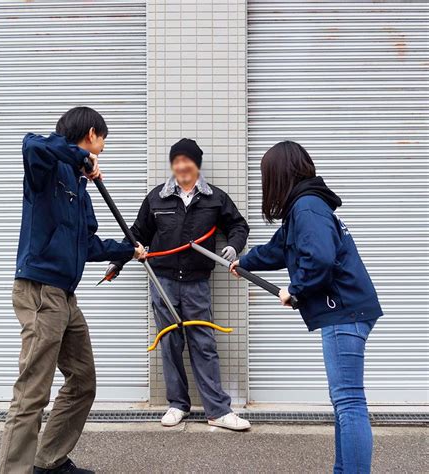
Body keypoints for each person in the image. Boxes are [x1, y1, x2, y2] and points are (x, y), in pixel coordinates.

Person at [0, 107, 146, 474]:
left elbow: (87, 244)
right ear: (92, 134)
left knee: (82, 380)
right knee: (33, 391)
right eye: (103, 140)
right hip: (40, 291)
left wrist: (128, 250)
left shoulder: (80, 188)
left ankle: (48, 461)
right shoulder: (49, 168)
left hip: (65, 295)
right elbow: (31, 145)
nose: (104, 147)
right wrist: (82, 158)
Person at [230, 141, 383, 473]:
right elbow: (279, 250)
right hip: (345, 311)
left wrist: (294, 289)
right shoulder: (304, 207)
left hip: (345, 311)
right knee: (345, 401)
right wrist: (243, 263)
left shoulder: (308, 207)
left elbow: (321, 258)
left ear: (280, 173)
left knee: (349, 402)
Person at [106, 138, 251, 430]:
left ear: (196, 164)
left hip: (197, 282)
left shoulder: (215, 198)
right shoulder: (157, 198)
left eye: (188, 160)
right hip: (163, 282)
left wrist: (234, 247)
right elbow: (137, 233)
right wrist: (117, 261)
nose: (182, 165)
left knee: (204, 343)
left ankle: (218, 411)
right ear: (173, 165)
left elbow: (238, 225)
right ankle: (177, 404)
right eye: (177, 160)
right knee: (170, 342)